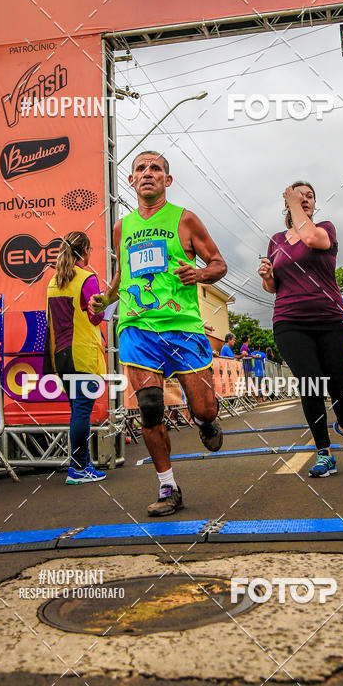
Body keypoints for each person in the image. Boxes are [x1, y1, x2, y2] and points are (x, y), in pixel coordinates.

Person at [89, 150, 227, 516]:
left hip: (182, 328)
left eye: (156, 169)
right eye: (140, 169)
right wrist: (105, 299)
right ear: (131, 181)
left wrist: (201, 274)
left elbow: (218, 263)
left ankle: (207, 420)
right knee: (150, 407)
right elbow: (124, 277)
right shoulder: (122, 228)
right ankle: (168, 487)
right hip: (137, 327)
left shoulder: (186, 220)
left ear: (167, 180)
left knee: (203, 406)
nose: (147, 173)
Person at [258, 180, 343, 477]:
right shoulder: (276, 240)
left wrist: (293, 203)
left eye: (309, 196)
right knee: (310, 385)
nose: (304, 199)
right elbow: (273, 287)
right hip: (290, 322)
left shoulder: (325, 229)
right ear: (287, 203)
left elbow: (309, 239)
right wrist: (266, 276)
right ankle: (324, 453)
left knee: (341, 387)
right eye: (299, 196)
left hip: (331, 319)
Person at [45, 231, 107, 484]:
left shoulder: (53, 281)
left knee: (76, 410)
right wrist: (105, 308)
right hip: (82, 352)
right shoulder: (87, 278)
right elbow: (95, 316)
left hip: (60, 354)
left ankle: (83, 465)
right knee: (82, 411)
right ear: (87, 251)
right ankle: (79, 468)